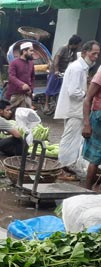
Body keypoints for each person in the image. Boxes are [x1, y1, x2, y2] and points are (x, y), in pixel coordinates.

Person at [55, 40, 100, 178]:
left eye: (98, 54)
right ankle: (61, 169)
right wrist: (88, 95)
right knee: (69, 139)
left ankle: (66, 166)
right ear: (85, 53)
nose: (96, 57)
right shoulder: (77, 68)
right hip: (74, 110)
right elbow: (74, 91)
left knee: (73, 139)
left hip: (76, 109)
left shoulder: (82, 67)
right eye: (94, 54)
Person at [45, 35, 82, 114]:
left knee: (63, 88)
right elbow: (56, 60)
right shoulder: (63, 48)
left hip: (64, 71)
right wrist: (56, 70)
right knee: (50, 87)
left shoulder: (73, 51)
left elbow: (75, 61)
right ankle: (46, 104)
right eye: (78, 44)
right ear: (74, 44)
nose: (79, 46)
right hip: (55, 70)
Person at [82, 63, 101, 189]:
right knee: (95, 157)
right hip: (99, 118)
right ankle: (87, 190)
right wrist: (86, 124)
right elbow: (87, 99)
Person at [7, 42, 36, 111]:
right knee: (12, 115)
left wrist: (31, 89)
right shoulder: (14, 63)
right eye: (31, 51)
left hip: (27, 95)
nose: (33, 53)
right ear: (24, 51)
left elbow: (32, 78)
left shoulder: (31, 63)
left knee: (26, 115)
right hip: (15, 94)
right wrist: (22, 85)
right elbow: (11, 76)